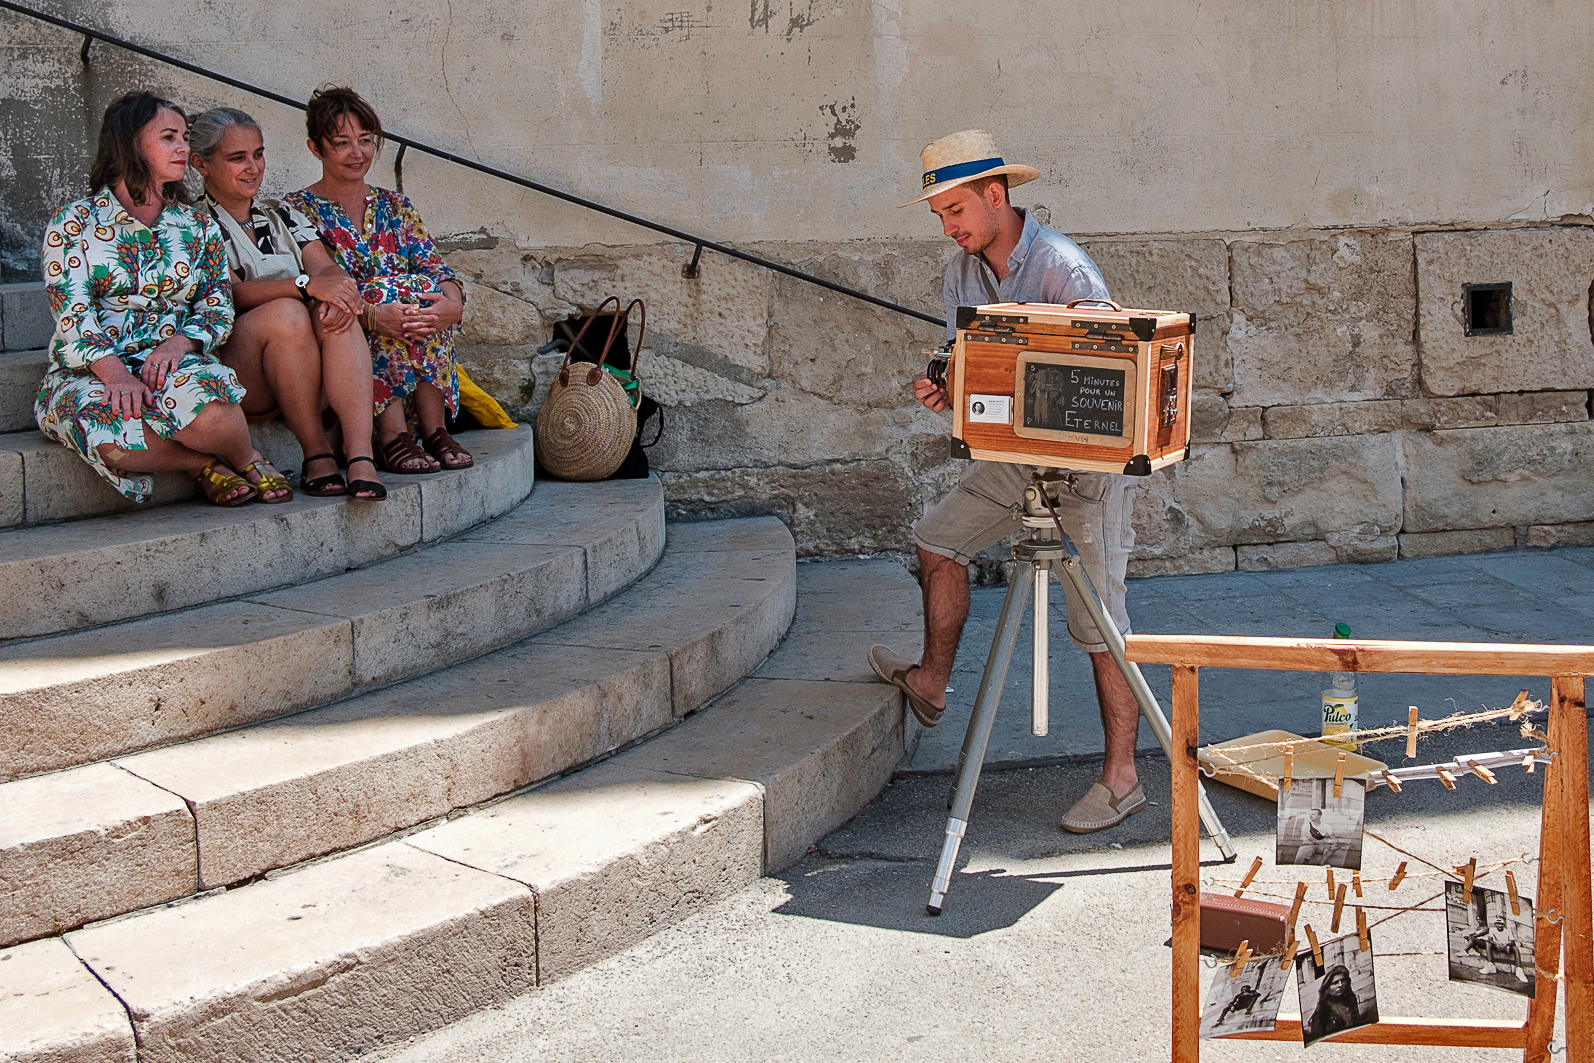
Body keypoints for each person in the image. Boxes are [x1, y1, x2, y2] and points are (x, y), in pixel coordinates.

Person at [866, 129, 1143, 834]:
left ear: (996, 196)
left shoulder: (1064, 270)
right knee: (937, 543)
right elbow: (972, 366)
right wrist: (946, 389)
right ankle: (930, 680)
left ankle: (1122, 778)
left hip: (1086, 472)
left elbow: (1106, 384)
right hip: (1017, 459)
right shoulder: (961, 274)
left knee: (1100, 626)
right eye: (939, 214)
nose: (948, 225)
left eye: (955, 208)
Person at [36, 91, 290, 506]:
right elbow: (73, 315)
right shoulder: (73, 224)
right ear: (131, 143)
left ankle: (246, 458)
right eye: (169, 137)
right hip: (92, 369)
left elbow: (216, 306)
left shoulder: (195, 226)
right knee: (109, 438)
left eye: (184, 137)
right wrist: (116, 375)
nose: (183, 147)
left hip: (171, 359)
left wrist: (180, 344)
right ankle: (201, 466)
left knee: (214, 415)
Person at [189, 107, 386, 501]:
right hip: (244, 371)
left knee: (335, 312)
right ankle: (316, 452)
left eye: (258, 155)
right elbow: (228, 293)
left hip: (307, 365)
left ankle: (360, 455)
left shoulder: (281, 214)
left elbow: (326, 269)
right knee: (288, 311)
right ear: (200, 164)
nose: (253, 168)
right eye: (237, 158)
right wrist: (305, 287)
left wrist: (333, 292)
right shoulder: (191, 224)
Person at [284, 86, 472, 475]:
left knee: (425, 290)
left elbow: (436, 268)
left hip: (407, 319)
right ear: (315, 148)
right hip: (346, 329)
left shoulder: (396, 206)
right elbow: (309, 283)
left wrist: (452, 305)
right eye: (342, 143)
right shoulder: (296, 211)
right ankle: (390, 434)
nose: (358, 153)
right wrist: (371, 313)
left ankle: (434, 429)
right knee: (379, 289)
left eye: (365, 141)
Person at [1303, 964, 1365, 1041]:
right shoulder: (1322, 1013)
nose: (1340, 985)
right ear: (1327, 988)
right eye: (1335, 983)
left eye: (1343, 980)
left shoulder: (1350, 1000)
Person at [1464, 913, 1529, 982]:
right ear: (1495, 924)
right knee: (1488, 944)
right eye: (1497, 924)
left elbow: (1513, 942)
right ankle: (1491, 965)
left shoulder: (1507, 931)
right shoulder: (1492, 929)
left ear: (1503, 925)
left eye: (1501, 924)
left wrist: (1504, 945)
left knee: (1515, 948)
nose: (1499, 925)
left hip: (1506, 947)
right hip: (1496, 946)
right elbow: (1490, 939)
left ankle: (1518, 969)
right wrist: (1496, 944)